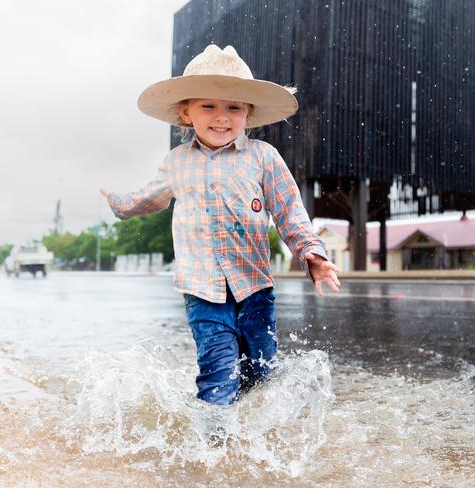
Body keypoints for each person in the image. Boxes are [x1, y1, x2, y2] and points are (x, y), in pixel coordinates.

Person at [101, 44, 340, 406]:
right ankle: (214, 445)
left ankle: (248, 423)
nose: (221, 117)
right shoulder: (177, 162)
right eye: (208, 106)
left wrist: (312, 254)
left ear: (248, 112)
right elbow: (149, 198)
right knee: (217, 369)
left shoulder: (262, 157)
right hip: (202, 290)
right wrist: (119, 204)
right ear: (186, 113)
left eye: (233, 107)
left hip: (254, 286)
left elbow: (289, 209)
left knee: (261, 370)